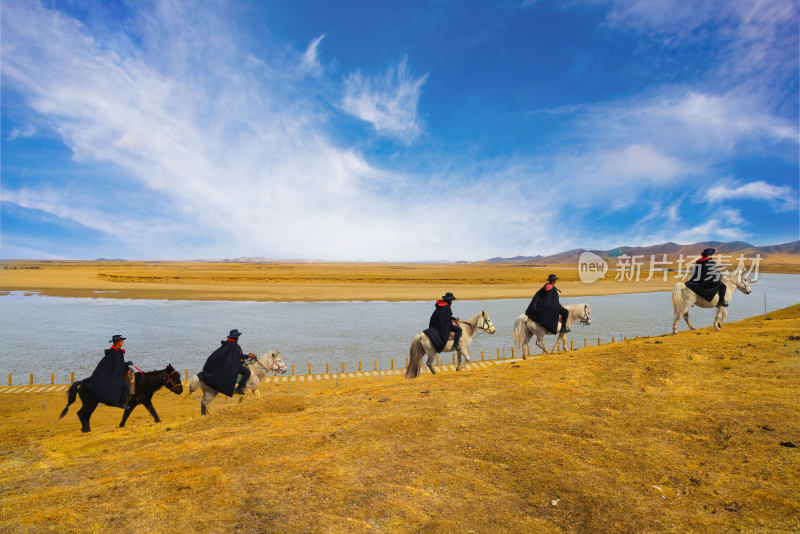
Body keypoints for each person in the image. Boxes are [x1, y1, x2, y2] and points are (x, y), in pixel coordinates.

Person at [198, 329, 256, 396]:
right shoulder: (234, 345)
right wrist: (247, 356)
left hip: (231, 365)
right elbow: (240, 356)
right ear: (235, 337)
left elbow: (238, 356)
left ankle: (239, 387)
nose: (238, 337)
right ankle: (239, 388)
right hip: (235, 366)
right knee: (247, 372)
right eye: (238, 336)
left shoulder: (230, 344)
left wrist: (247, 355)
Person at [83, 335, 134, 408]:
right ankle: (122, 404)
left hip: (117, 371)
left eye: (122, 340)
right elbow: (117, 365)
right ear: (116, 342)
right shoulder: (115, 352)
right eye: (121, 340)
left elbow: (119, 363)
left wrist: (126, 363)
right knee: (125, 386)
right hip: (114, 374)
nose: (122, 341)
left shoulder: (117, 350)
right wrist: (126, 364)